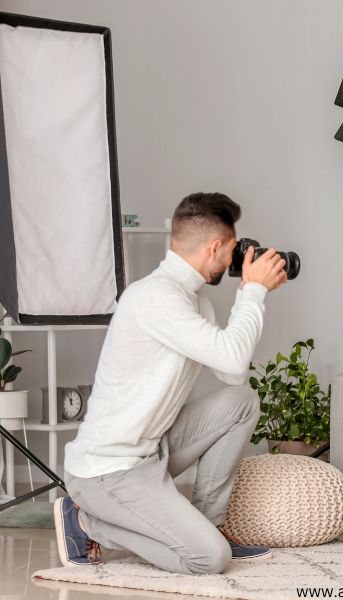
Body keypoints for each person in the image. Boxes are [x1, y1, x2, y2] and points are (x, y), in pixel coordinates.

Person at [54, 192, 289, 575]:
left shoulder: (195, 301)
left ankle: (207, 523)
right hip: (109, 470)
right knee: (209, 559)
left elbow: (232, 373)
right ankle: (86, 521)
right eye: (232, 249)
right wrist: (254, 292)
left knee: (240, 400)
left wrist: (250, 294)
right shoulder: (154, 298)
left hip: (151, 451)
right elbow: (233, 357)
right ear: (215, 247)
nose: (233, 259)